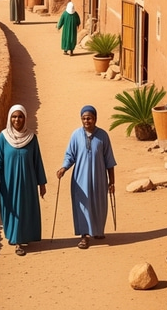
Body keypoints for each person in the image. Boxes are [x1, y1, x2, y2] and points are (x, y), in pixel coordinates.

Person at [0, 105, 47, 256]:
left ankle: (21, 239)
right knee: (13, 209)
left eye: (20, 116)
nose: (17, 120)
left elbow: (37, 162)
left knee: (24, 209)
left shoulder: (32, 138)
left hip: (28, 183)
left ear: (25, 118)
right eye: (14, 116)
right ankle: (17, 241)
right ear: (9, 118)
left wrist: (42, 183)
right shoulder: (3, 137)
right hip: (9, 183)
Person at [56, 105, 116, 249]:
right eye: (83, 118)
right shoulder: (76, 135)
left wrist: (112, 181)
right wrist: (64, 168)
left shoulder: (103, 136)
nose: (86, 121)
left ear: (95, 119)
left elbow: (109, 160)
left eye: (89, 118)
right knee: (83, 205)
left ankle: (97, 231)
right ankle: (84, 236)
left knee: (99, 204)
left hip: (99, 178)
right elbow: (70, 155)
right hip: (80, 179)